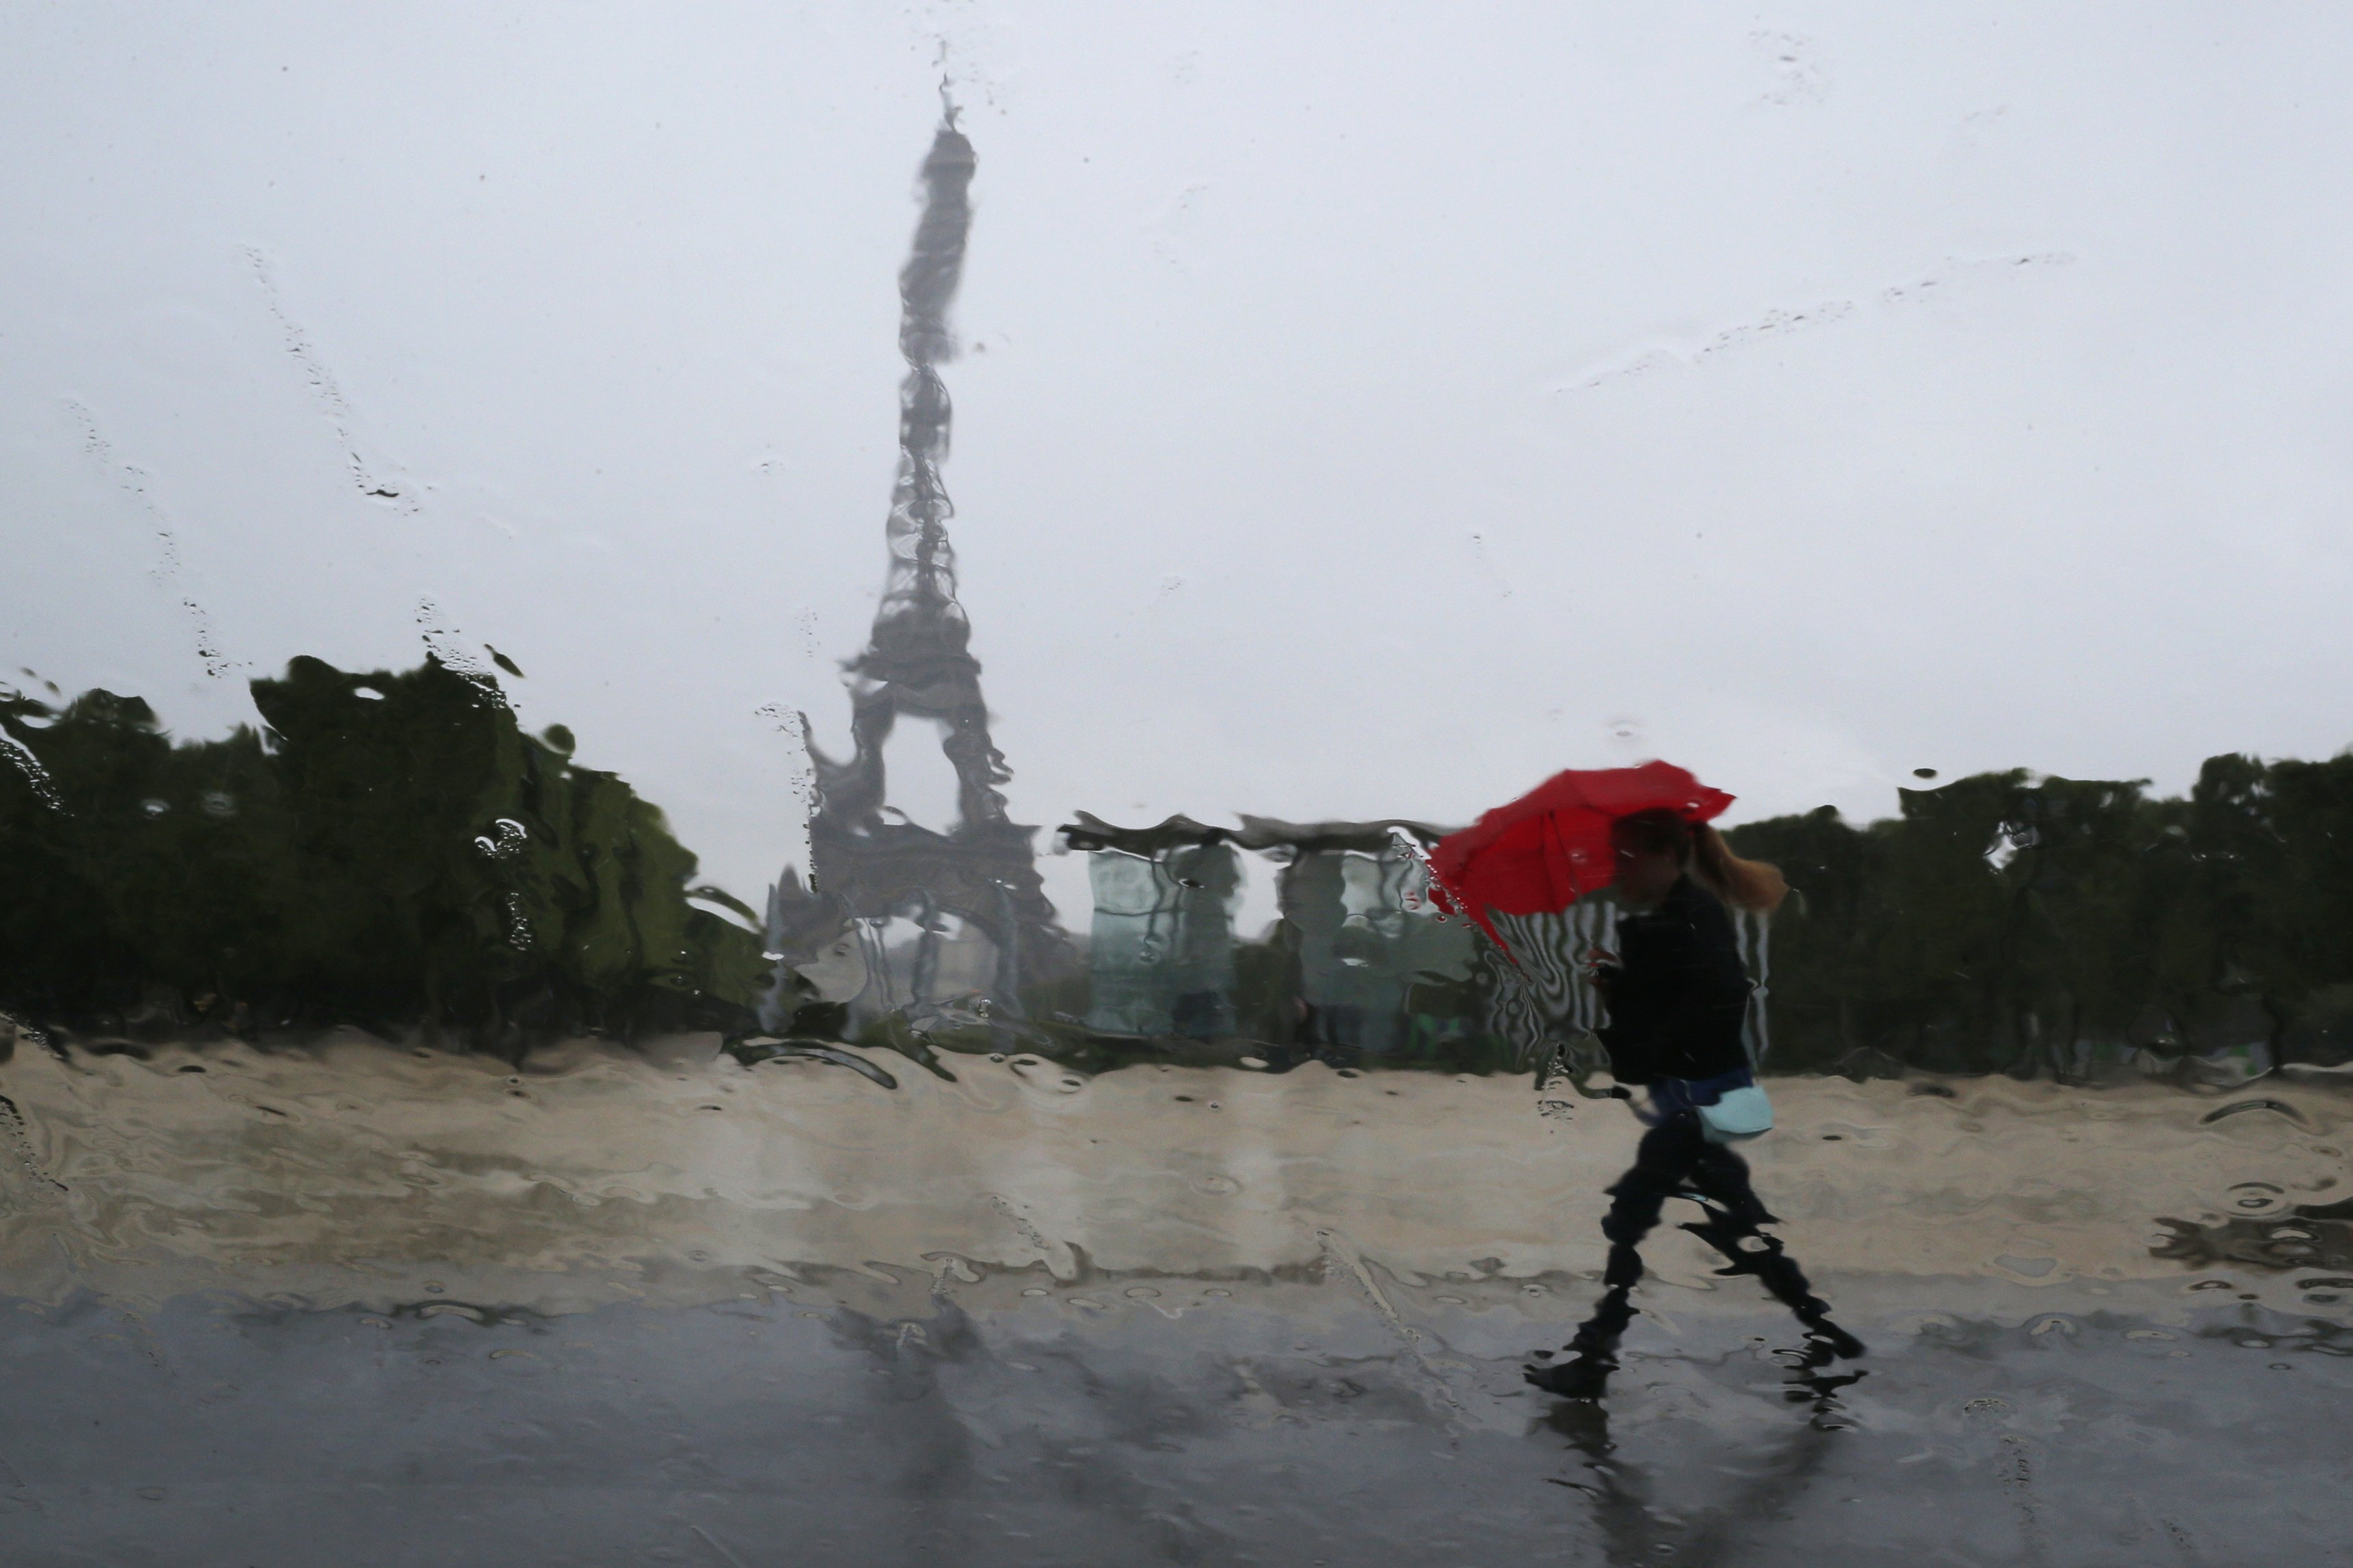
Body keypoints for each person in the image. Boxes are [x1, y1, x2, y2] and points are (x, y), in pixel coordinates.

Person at [1526, 809, 1862, 1399]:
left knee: (1632, 1214)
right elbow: (1666, 1018)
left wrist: (1632, 997)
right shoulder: (1673, 920)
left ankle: (1595, 1353)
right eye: (1614, 855)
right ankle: (1825, 1331)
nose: (1616, 868)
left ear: (1666, 858)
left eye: (1627, 855)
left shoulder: (1690, 918)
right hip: (1694, 1104)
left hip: (1699, 1106)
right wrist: (1620, 987)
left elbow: (1712, 1003)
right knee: (1738, 1226)